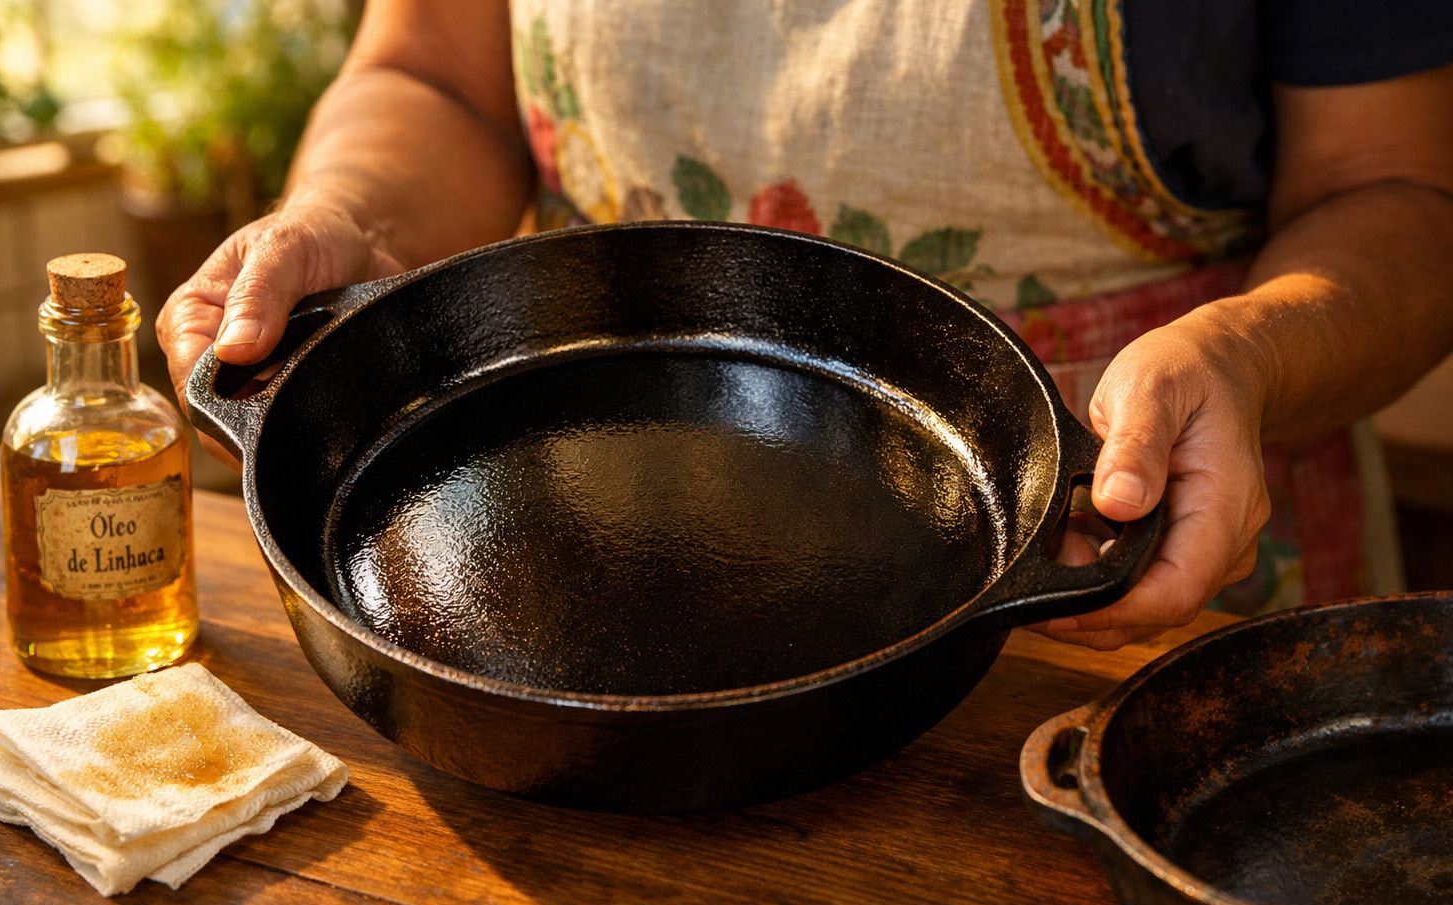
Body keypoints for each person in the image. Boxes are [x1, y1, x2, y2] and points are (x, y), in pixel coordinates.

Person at [158, 0, 1453, 651]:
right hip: (574, 589)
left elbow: (1395, 197)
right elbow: (434, 75)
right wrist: (347, 217)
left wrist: (1252, 354)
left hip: (1125, 558)